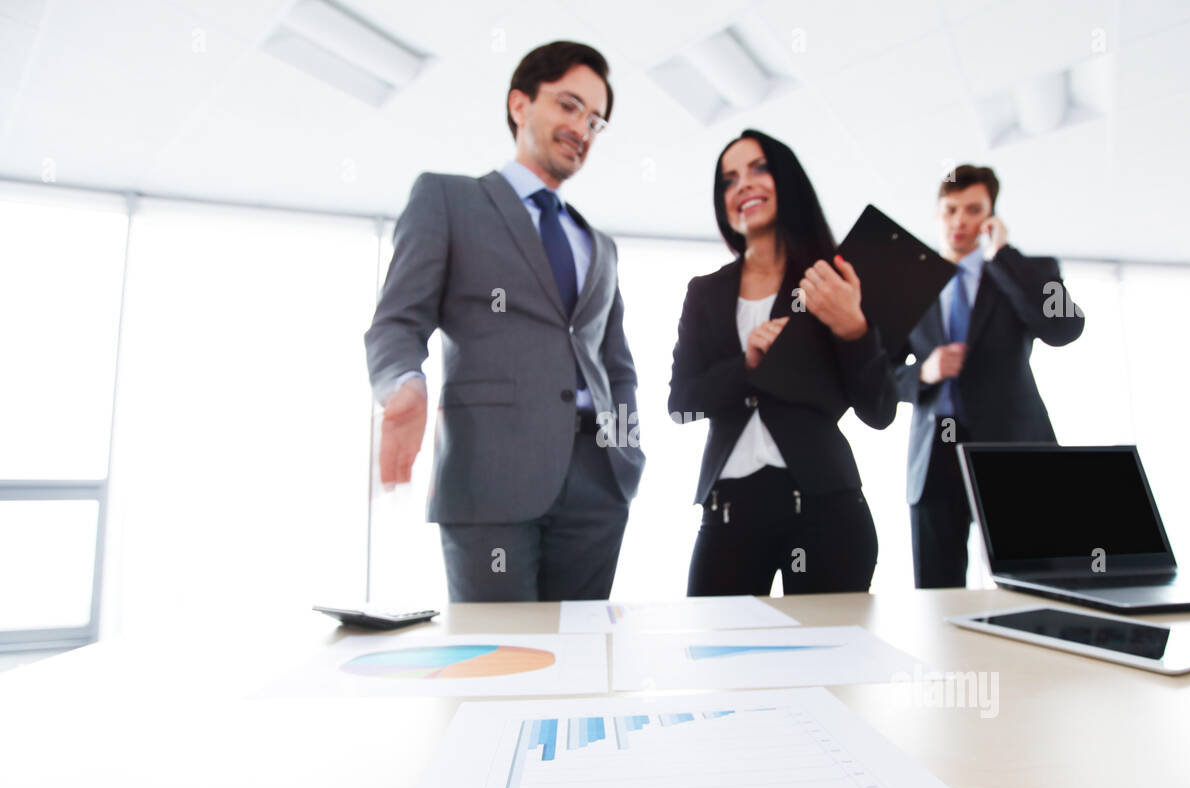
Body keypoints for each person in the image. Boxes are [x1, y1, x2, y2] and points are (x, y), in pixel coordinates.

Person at [363, 41, 644, 602]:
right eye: (568, 106)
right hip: (489, 476)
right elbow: (397, 322)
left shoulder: (602, 246)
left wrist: (628, 455)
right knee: (500, 668)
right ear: (520, 103)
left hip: (597, 485)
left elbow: (617, 366)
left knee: (581, 666)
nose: (582, 128)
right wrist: (405, 384)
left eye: (595, 120)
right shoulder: (448, 199)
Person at [668, 129, 898, 597]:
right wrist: (747, 364)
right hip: (728, 506)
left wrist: (853, 327)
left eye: (758, 169)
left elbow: (880, 411)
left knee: (826, 666)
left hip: (824, 505)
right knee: (717, 657)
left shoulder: (833, 279)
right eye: (729, 180)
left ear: (786, 181)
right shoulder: (704, 292)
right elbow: (681, 405)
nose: (743, 185)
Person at [892, 164, 1084, 588]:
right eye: (951, 210)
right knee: (936, 597)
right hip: (934, 455)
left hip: (1011, 450)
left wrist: (1003, 256)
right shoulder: (911, 285)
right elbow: (879, 377)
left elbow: (1064, 327)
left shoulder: (1025, 271)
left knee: (1033, 588)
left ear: (991, 217)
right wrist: (922, 372)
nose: (960, 220)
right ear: (938, 214)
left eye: (973, 209)